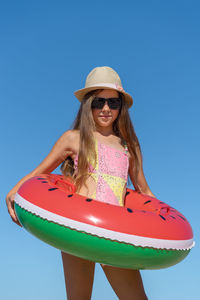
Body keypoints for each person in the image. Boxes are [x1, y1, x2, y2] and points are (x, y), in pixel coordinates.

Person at [6, 66, 155, 300]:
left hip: (115, 233)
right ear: (88, 104)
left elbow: (144, 191)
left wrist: (161, 219)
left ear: (121, 107)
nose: (106, 109)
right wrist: (14, 190)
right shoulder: (73, 139)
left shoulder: (129, 147)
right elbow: (39, 172)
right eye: (99, 102)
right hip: (78, 230)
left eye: (113, 103)